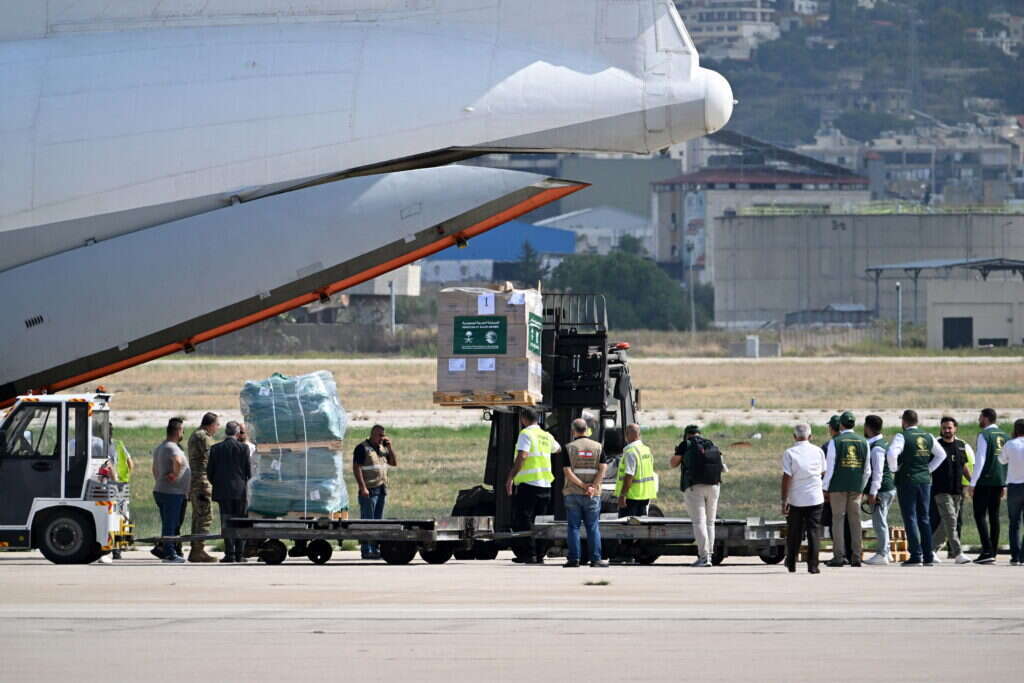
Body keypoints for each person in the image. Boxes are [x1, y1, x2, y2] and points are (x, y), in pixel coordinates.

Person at [886, 410, 947, 566]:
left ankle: (916, 555)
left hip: (907, 480)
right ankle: (928, 555)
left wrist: (894, 469)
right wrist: (928, 469)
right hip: (925, 481)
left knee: (910, 517)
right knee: (924, 518)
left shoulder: (902, 436)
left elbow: (892, 453)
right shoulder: (928, 436)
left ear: (904, 422)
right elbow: (941, 455)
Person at [505, 408, 560, 565]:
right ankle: (540, 554)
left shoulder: (526, 434)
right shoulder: (546, 435)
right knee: (540, 521)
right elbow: (558, 449)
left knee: (524, 520)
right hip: (545, 485)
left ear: (523, 419)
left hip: (529, 485)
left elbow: (522, 455)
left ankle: (529, 554)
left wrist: (510, 477)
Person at [672, 424, 723, 567]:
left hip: (695, 486)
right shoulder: (710, 443)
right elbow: (723, 466)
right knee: (710, 522)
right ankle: (710, 556)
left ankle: (703, 557)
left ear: (687, 434)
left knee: (699, 522)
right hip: (714, 485)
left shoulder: (686, 444)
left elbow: (673, 463)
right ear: (700, 434)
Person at [823, 411, 870, 568]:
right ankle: (856, 556)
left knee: (838, 520)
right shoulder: (864, 442)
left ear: (841, 425)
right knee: (855, 521)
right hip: (856, 487)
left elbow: (830, 468)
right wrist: (861, 486)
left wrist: (825, 487)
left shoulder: (836, 442)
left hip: (838, 486)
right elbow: (867, 470)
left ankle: (839, 556)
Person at [562, 418, 610, 568]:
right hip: (592, 495)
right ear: (587, 430)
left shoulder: (569, 447)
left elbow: (567, 472)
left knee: (573, 527)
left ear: (573, 430)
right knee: (593, 527)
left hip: (573, 493)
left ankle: (574, 559)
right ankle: (596, 559)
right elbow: (603, 468)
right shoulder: (598, 447)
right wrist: (592, 487)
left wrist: (582, 485)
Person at [781, 423, 826, 574]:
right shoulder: (818, 451)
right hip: (815, 498)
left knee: (794, 532)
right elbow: (822, 472)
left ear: (794, 437)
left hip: (796, 499)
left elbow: (787, 477)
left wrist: (784, 499)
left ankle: (792, 563)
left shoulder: (790, 453)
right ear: (810, 436)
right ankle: (813, 565)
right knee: (814, 532)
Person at [968, 408, 1009, 564]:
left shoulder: (984, 435)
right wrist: (1004, 483)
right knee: (994, 516)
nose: (979, 420)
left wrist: (973, 483)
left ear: (985, 418)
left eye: (980, 417)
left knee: (980, 515)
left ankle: (986, 550)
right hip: (999, 481)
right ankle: (993, 551)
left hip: (985, 481)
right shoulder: (1005, 435)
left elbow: (980, 460)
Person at [207, 421, 252, 563]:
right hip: (240, 491)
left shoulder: (215, 448)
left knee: (226, 522)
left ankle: (229, 554)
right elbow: (248, 472)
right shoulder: (243, 448)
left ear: (226, 432)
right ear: (237, 433)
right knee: (240, 521)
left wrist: (218, 484)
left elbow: (210, 472)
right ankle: (240, 553)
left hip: (223, 491)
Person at [931, 416, 973, 564]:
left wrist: (972, 482)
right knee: (951, 520)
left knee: (947, 523)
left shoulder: (962, 445)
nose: (947, 430)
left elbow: (964, 466)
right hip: (941, 490)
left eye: (949, 428)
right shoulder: (936, 445)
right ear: (941, 429)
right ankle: (958, 553)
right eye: (944, 428)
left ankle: (930, 549)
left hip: (957, 490)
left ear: (955, 428)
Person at [353, 424, 399, 560]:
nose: (382, 438)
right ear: (372, 434)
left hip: (381, 488)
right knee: (368, 521)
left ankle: (375, 548)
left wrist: (389, 447)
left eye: (383, 435)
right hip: (369, 489)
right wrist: (362, 488)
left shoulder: (382, 448)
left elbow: (394, 463)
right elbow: (356, 468)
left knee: (377, 521)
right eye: (380, 435)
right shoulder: (362, 448)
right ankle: (366, 549)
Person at [152, 418, 190, 563]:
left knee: (169, 523)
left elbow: (154, 469)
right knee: (170, 524)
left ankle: (166, 550)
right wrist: (175, 475)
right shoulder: (172, 447)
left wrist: (160, 480)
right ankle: (170, 553)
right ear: (178, 430)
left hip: (163, 490)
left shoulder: (161, 447)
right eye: (182, 430)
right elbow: (178, 462)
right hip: (171, 493)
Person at [186, 412, 220, 563]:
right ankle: (198, 550)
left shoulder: (196, 435)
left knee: (198, 516)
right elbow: (212, 457)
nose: (217, 429)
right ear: (210, 425)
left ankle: (196, 549)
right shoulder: (202, 437)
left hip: (197, 481)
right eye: (217, 425)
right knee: (205, 516)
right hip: (202, 482)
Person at [863, 415, 896, 566]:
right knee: (881, 520)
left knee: (879, 522)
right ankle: (886, 552)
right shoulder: (883, 443)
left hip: (881, 490)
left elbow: (878, 472)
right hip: (887, 488)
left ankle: (882, 553)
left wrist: (872, 492)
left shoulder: (876, 447)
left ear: (868, 428)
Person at [998, 419, 1024, 566]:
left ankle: (1015, 556)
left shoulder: (1010, 444)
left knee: (1014, 523)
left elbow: (1002, 460)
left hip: (1014, 486)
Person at [109, 426, 133, 560]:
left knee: (110, 516)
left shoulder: (97, 445)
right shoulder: (119, 444)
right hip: (122, 485)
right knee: (121, 516)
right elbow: (130, 463)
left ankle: (111, 547)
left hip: (108, 485)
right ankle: (118, 549)